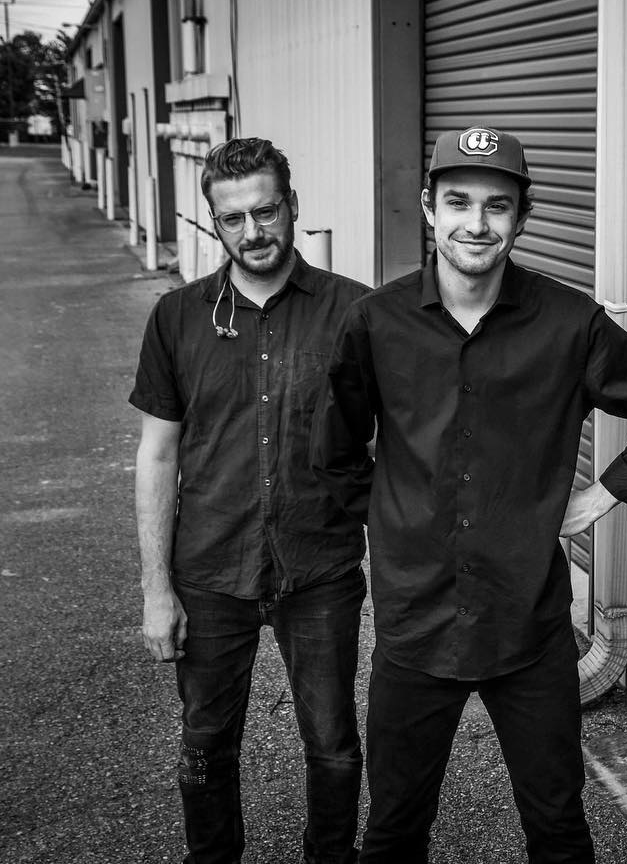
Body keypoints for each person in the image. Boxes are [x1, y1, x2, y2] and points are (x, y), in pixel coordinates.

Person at [312, 124, 627, 863]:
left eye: (497, 204)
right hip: (415, 627)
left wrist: (603, 493)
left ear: (522, 214)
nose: (476, 223)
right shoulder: (376, 322)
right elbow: (336, 452)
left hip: (528, 625)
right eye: (458, 201)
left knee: (558, 827)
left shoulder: (569, 323)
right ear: (428, 207)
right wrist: (398, 523)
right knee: (393, 830)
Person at [131, 137, 371, 864]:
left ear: (292, 206)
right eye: (233, 218)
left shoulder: (355, 311)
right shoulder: (177, 317)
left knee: (333, 743)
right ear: (215, 221)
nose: (253, 231)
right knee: (206, 743)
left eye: (265, 211)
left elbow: (398, 440)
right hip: (209, 569)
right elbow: (157, 455)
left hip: (320, 567)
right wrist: (156, 590)